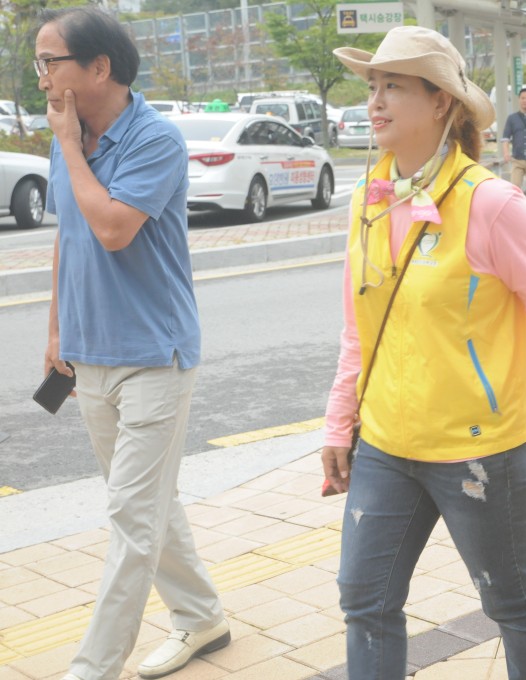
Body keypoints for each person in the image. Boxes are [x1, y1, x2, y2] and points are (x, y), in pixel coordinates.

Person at [323, 26, 526, 679]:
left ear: (441, 102)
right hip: (385, 443)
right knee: (364, 598)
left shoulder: (490, 202)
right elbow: (361, 325)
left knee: (511, 598)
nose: (375, 102)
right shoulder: (369, 199)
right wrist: (339, 420)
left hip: (477, 449)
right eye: (373, 86)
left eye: (394, 87)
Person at [36, 7, 229, 680]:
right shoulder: (72, 134)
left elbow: (114, 228)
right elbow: (70, 238)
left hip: (154, 354)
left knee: (129, 510)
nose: (42, 78)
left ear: (99, 67)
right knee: (146, 502)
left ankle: (94, 666)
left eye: (50, 62)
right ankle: (202, 616)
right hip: (88, 353)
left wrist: (67, 149)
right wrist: (57, 330)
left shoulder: (154, 140)